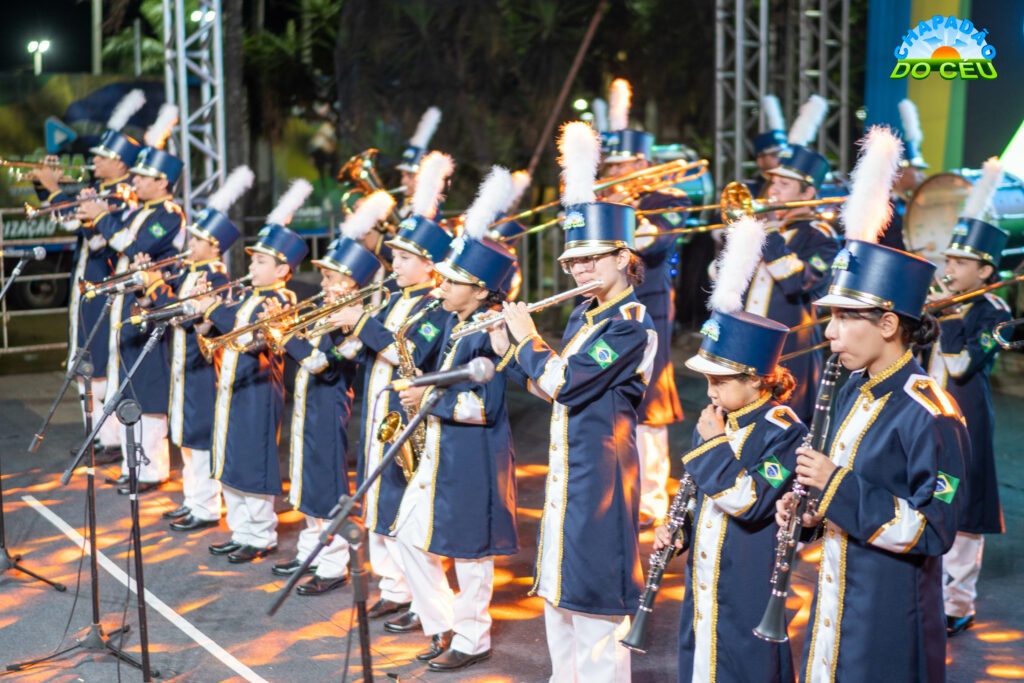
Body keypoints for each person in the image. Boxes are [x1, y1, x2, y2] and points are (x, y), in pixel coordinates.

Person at [778, 127, 969, 682]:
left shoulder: (929, 411)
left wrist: (834, 485)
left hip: (889, 613)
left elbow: (934, 532)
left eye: (843, 319)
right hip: (839, 597)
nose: (830, 332)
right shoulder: (848, 389)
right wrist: (811, 511)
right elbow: (840, 498)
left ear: (888, 324)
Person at [489, 121, 657, 683]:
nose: (581, 271)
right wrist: (509, 353)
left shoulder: (631, 323)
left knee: (593, 602)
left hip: (601, 474)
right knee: (558, 599)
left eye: (591, 260)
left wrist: (527, 340)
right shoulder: (588, 315)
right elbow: (548, 386)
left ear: (622, 256)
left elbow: (564, 380)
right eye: (574, 264)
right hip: (571, 468)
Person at [654, 215, 804, 683]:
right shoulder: (718, 420)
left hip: (748, 585)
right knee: (701, 662)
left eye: (720, 380)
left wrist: (713, 446)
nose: (710, 388)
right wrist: (679, 533)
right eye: (706, 378)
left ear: (756, 379)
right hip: (706, 577)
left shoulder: (786, 431)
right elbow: (704, 497)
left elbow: (748, 500)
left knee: (743, 667)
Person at [328, 151, 454, 624]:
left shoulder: (436, 307)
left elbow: (411, 352)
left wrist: (362, 323)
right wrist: (343, 338)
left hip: (408, 414)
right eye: (395, 256)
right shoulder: (396, 296)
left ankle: (423, 600)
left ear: (428, 264)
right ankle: (394, 586)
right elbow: (371, 344)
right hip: (378, 411)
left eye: (403, 258)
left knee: (407, 507)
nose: (394, 264)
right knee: (379, 501)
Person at [392, 232, 519, 671]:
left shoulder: (491, 328)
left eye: (452, 281)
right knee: (408, 533)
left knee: (470, 551)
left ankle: (472, 636)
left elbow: (485, 406)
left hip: (475, 453)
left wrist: (427, 402)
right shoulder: (453, 318)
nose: (440, 286)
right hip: (441, 446)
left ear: (481, 290)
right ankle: (444, 622)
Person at [195, 184, 311, 564]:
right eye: (253, 260)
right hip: (231, 387)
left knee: (252, 460)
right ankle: (240, 529)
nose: (251, 267)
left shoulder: (282, 299)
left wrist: (213, 309)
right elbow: (215, 331)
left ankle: (260, 533)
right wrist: (203, 315)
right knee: (229, 460)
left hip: (259, 391)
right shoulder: (246, 296)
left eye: (261, 262)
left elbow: (250, 338)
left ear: (282, 269)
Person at [140, 176, 251, 530]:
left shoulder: (216, 275)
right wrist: (148, 294)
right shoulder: (190, 272)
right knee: (186, 438)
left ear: (215, 246)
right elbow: (168, 306)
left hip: (202, 367)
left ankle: (205, 507)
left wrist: (157, 288)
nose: (191, 243)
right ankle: (193, 499)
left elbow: (187, 315)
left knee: (199, 437)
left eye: (199, 240)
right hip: (184, 365)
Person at [272, 236, 380, 594]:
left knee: (327, 485)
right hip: (307, 405)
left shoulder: (354, 323)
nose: (322, 284)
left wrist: (287, 337)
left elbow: (324, 365)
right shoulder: (326, 313)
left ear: (350, 282)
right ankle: (310, 553)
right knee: (306, 480)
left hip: (328, 406)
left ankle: (333, 566)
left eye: (330, 277)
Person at [600, 78, 686, 526]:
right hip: (606, 306)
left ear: (640, 163)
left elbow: (654, 246)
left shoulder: (666, 197)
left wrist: (623, 209)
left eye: (621, 164)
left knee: (650, 399)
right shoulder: (603, 201)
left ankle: (652, 498)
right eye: (610, 164)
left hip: (650, 304)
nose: (613, 172)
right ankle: (622, 488)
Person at [79, 138, 185, 494]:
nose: (135, 182)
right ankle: (132, 463)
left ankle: (152, 469)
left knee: (147, 387)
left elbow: (136, 247)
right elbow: (104, 243)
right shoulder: (136, 209)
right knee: (125, 384)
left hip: (149, 305)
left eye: (143, 177)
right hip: (126, 306)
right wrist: (91, 219)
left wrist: (104, 219)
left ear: (163, 183)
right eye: (135, 175)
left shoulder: (169, 215)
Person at [924, 210, 1010, 636]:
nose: (949, 269)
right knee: (926, 498)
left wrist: (951, 319)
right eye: (949, 260)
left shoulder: (995, 311)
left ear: (986, 270)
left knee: (964, 511)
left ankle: (958, 603)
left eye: (960, 263)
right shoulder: (945, 302)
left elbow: (960, 365)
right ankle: (926, 593)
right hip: (925, 417)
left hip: (965, 423)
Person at [743, 144, 839, 422]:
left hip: (787, 352)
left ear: (808, 193)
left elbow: (798, 281)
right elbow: (718, 275)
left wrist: (769, 233)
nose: (773, 190)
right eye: (773, 182)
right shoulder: (761, 230)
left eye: (784, 184)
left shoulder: (820, 236)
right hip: (745, 343)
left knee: (783, 427)